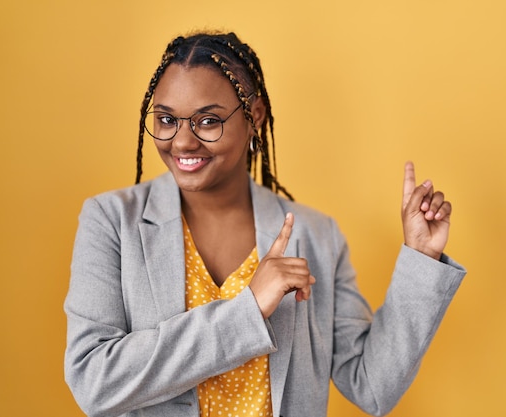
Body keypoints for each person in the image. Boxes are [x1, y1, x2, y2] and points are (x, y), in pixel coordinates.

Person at [64, 31, 466, 417]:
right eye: (167, 120)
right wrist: (248, 310)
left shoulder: (317, 236)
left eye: (207, 121)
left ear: (254, 116)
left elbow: (372, 386)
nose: (182, 142)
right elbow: (92, 380)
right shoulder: (112, 221)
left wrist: (421, 258)